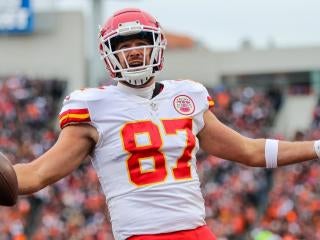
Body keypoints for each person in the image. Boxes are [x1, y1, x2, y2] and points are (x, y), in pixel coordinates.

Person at [8, 8, 320, 240]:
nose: (132, 52)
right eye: (123, 45)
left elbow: (250, 151)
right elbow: (37, 173)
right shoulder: (93, 106)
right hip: (142, 234)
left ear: (156, 45)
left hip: (198, 232)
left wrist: (315, 147)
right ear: (109, 54)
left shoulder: (187, 96)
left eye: (139, 42)